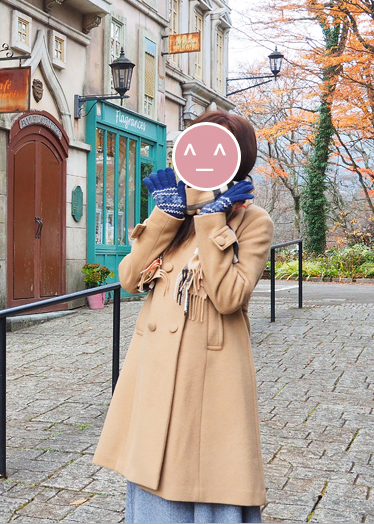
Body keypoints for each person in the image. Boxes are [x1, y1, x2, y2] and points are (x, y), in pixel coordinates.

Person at [92, 110, 274, 523]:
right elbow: (128, 278)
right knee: (154, 482)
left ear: (236, 157)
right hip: (154, 378)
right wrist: (166, 217)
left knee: (207, 479)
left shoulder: (252, 221)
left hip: (209, 382)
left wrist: (211, 217)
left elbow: (229, 296)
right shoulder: (171, 215)